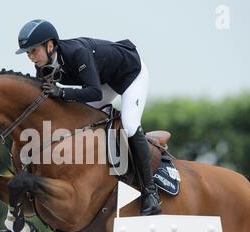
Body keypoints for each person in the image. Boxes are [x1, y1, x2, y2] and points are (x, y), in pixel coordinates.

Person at [15, 19, 161, 216]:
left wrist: (64, 94)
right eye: (28, 53)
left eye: (33, 50)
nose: (31, 57)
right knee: (81, 121)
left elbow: (94, 93)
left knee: (130, 124)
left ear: (50, 46)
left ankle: (150, 192)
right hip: (104, 80)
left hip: (130, 74)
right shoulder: (43, 67)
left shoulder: (77, 53)